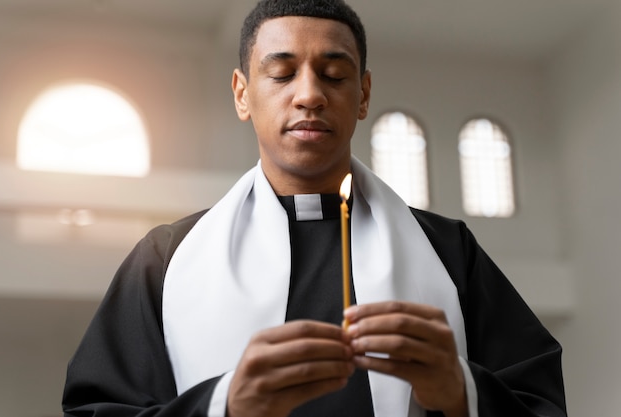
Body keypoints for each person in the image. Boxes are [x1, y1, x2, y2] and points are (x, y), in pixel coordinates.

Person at [62, 0, 567, 416]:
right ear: (243, 94)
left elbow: (540, 403)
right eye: (281, 74)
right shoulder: (166, 258)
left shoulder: (446, 250)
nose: (310, 95)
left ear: (363, 94)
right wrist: (221, 405)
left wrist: (461, 391)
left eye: (333, 75)